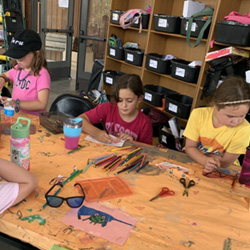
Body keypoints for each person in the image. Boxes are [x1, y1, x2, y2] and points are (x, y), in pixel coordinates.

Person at [183, 76, 250, 172]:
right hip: (197, 163)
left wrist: (197, 153)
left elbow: (226, 163)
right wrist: (206, 159)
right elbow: (189, 148)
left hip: (224, 170)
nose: (236, 121)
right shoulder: (198, 114)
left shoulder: (245, 129)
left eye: (242, 115)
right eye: (230, 116)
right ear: (215, 106)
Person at [81, 74, 153, 145]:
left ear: (140, 98)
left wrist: (132, 143)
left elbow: (148, 150)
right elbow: (79, 120)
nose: (124, 105)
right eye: (119, 100)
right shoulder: (108, 107)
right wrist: (97, 133)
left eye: (129, 101)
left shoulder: (145, 123)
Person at [0, 29, 51, 115]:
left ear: (36, 53)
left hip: (34, 120)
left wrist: (16, 103)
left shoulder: (42, 74)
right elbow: (5, 75)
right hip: (17, 117)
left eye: (21, 57)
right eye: (15, 57)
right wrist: (2, 79)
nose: (17, 61)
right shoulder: (18, 69)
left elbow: (42, 104)